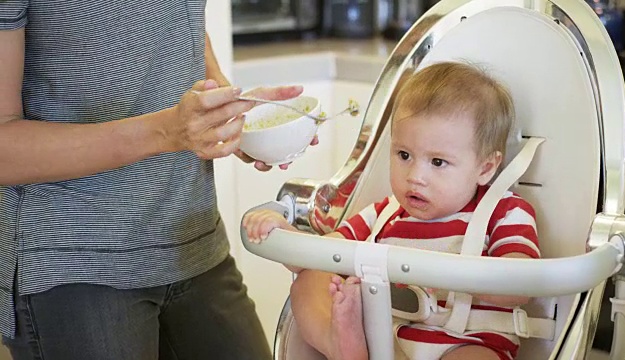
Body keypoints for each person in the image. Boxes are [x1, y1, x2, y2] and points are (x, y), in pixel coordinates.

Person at [0, 2, 312, 360]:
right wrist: (168, 131)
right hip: (77, 265)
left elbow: (177, 25)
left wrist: (225, 113)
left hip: (190, 240)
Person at [243, 62, 541, 360]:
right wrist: (287, 235)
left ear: (485, 167)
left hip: (465, 343)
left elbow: (519, 285)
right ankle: (341, 345)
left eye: (437, 162)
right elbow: (324, 254)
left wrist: (453, 275)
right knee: (310, 280)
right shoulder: (384, 214)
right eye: (404, 155)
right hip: (382, 343)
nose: (415, 176)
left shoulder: (504, 212)